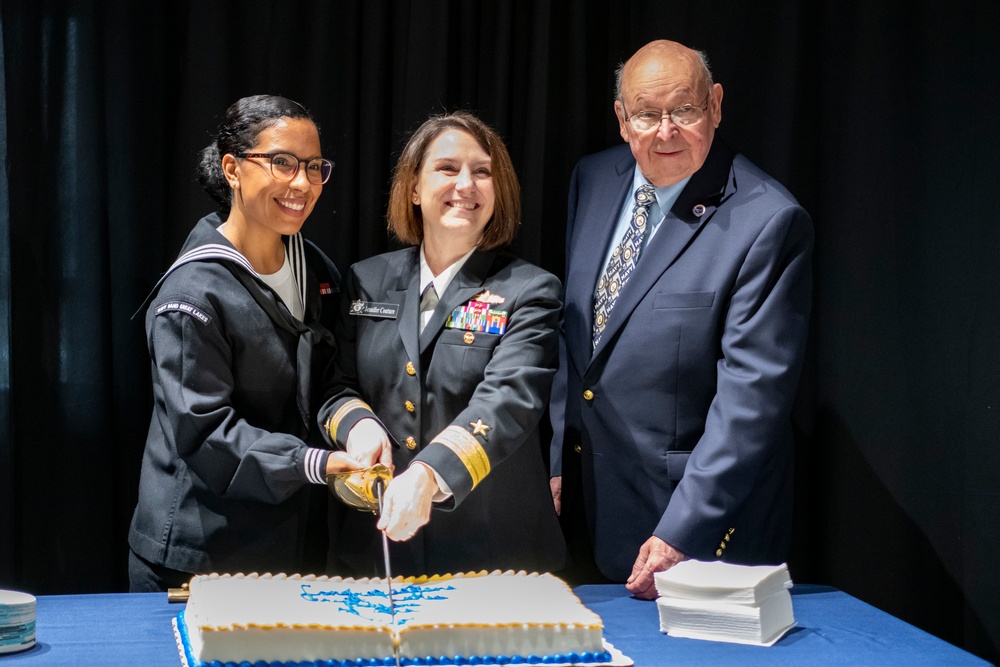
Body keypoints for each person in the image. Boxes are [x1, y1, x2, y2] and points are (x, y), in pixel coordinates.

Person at [549, 40, 814, 599]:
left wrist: (681, 532)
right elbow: (572, 343)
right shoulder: (592, 180)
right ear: (622, 119)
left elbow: (752, 403)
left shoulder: (768, 220)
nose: (665, 131)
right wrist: (553, 461)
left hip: (688, 537)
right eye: (646, 114)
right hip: (579, 516)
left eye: (685, 110)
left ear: (715, 105)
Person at [128, 94, 362, 591]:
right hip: (200, 554)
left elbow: (328, 379)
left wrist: (356, 425)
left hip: (289, 546)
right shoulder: (190, 294)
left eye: (315, 167)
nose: (302, 183)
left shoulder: (314, 268)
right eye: (282, 163)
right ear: (232, 169)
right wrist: (315, 462)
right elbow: (205, 433)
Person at [319, 111, 566, 577]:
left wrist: (429, 472)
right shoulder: (367, 280)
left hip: (492, 555)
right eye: (448, 169)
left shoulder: (530, 289)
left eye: (482, 171)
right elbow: (335, 384)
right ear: (414, 187)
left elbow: (508, 401)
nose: (466, 184)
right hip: (377, 553)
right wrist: (358, 425)